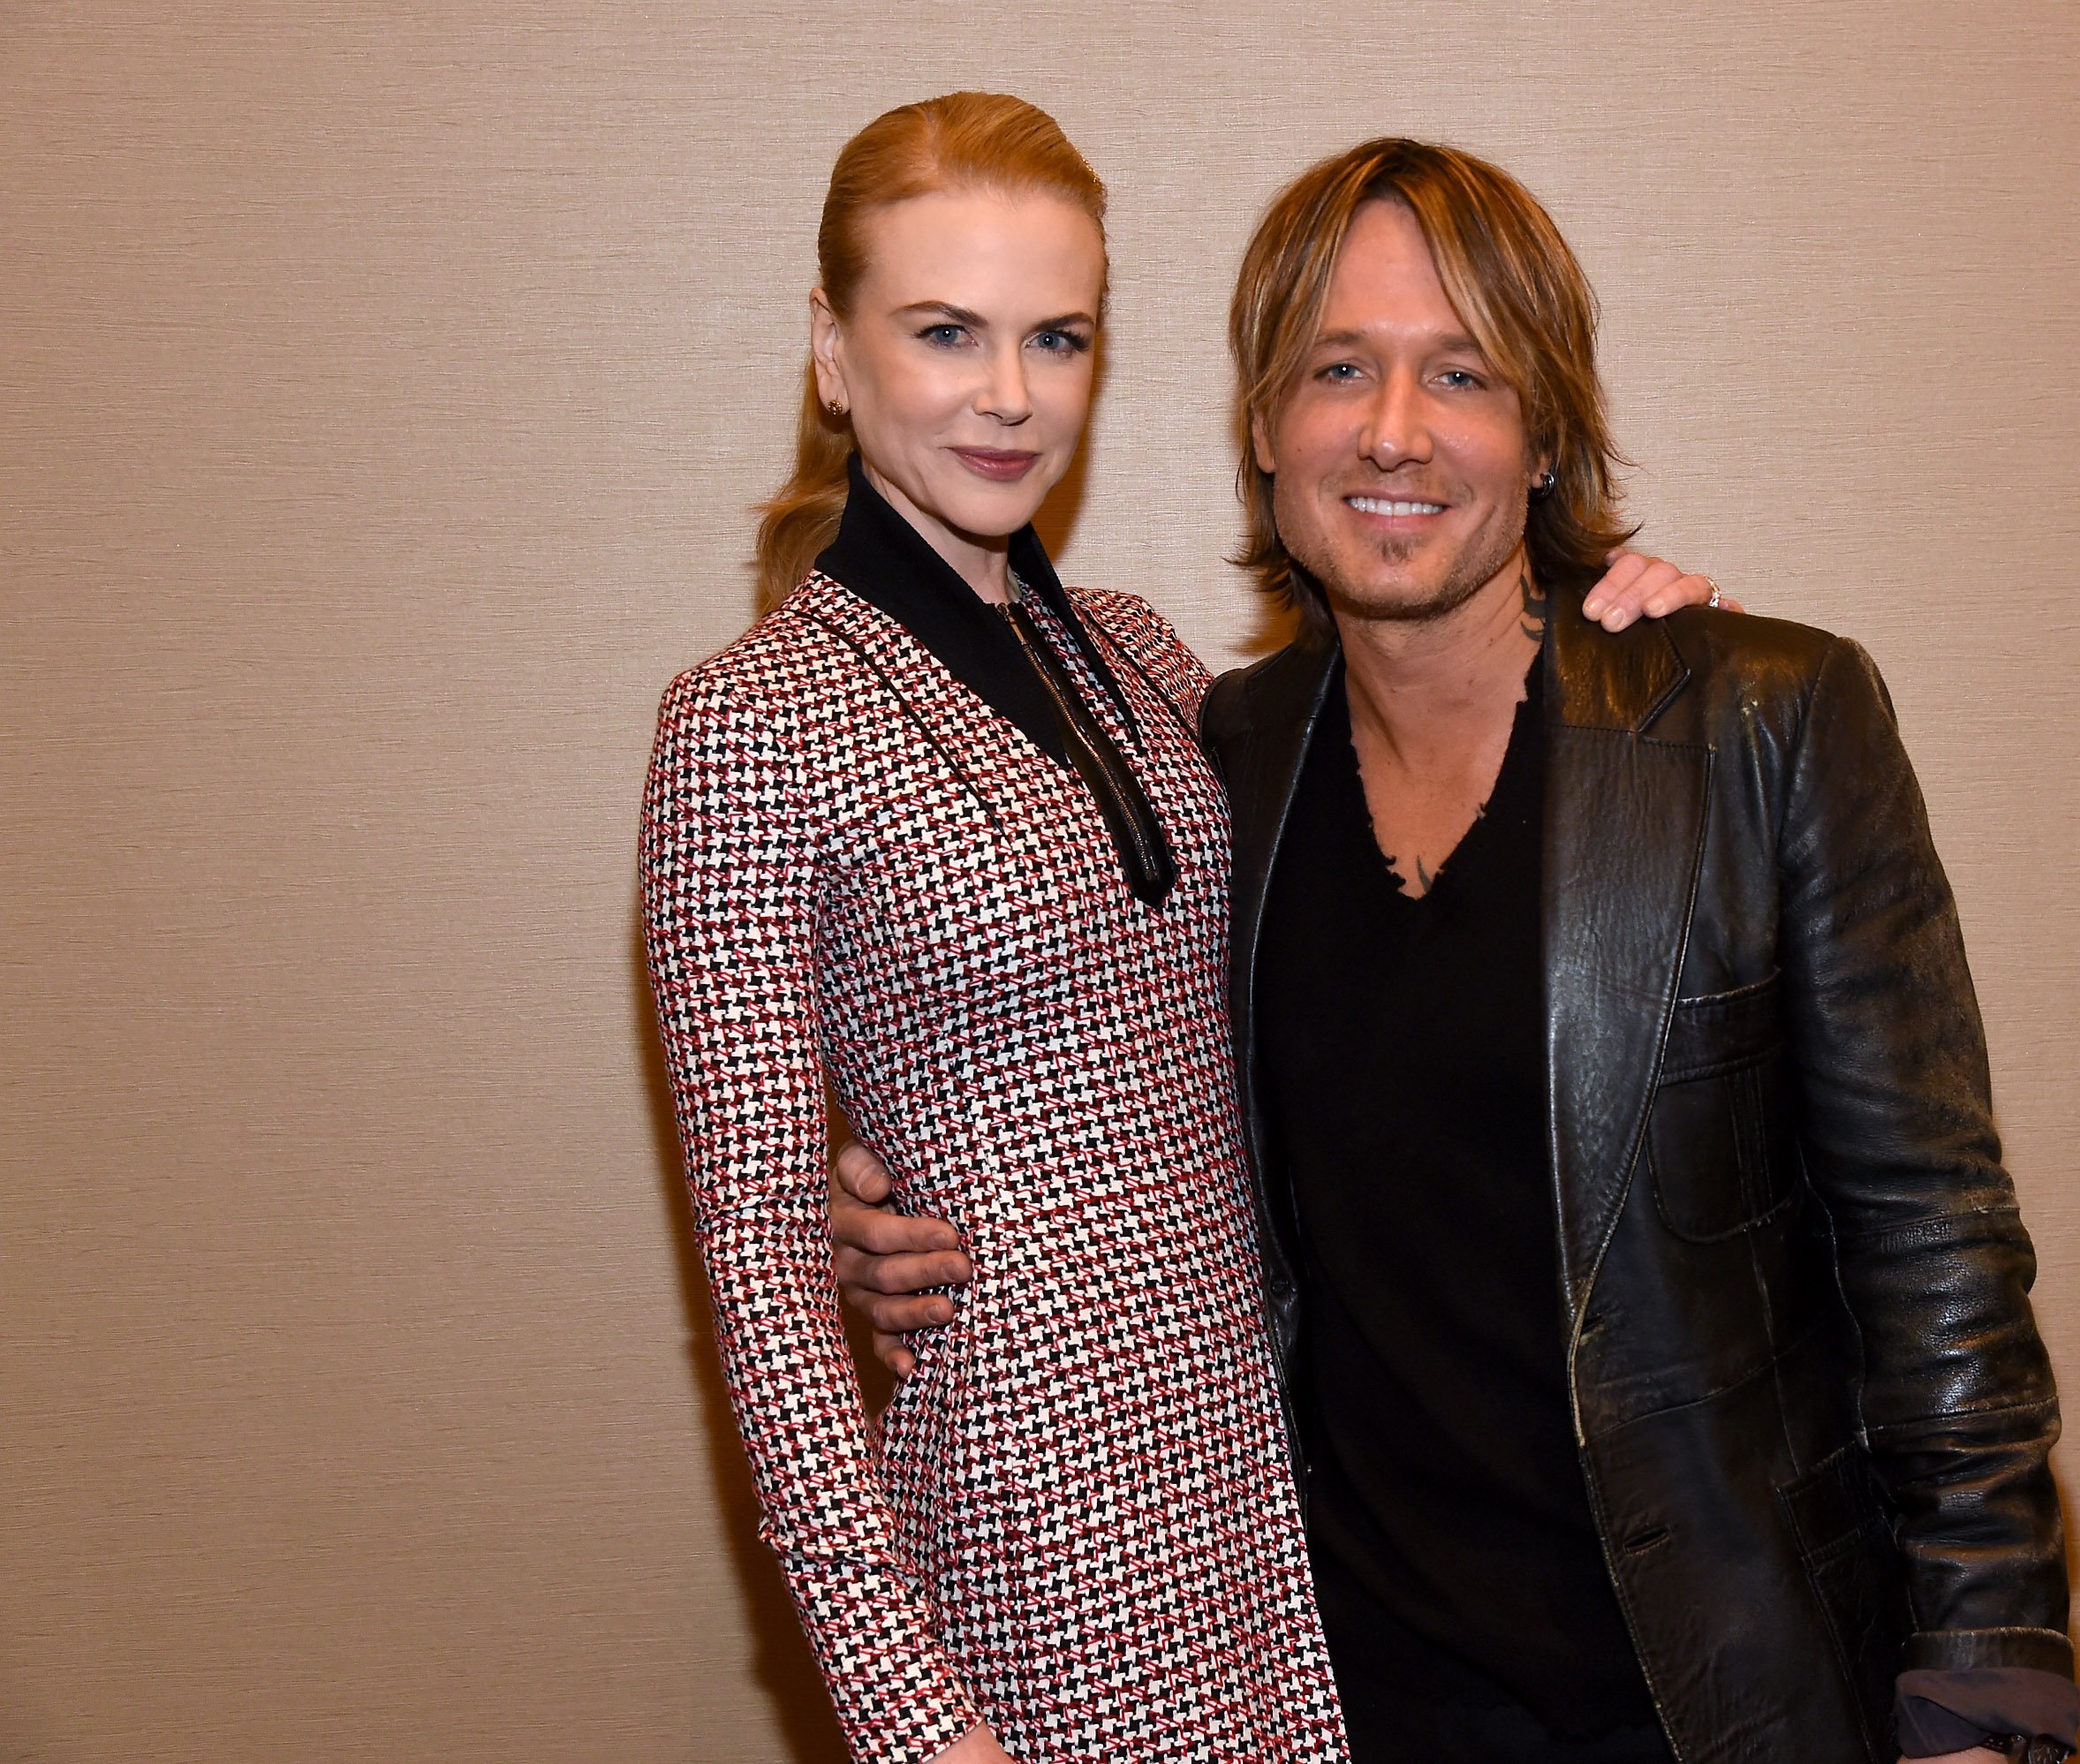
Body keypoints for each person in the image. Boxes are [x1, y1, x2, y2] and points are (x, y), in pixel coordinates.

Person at [835, 139, 2077, 1764]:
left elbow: (1939, 1252)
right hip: (1327, 1702)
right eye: (1338, 367)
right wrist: (889, 1202)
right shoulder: (1221, 766)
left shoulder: (1761, 727)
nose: (1394, 430)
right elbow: (1077, 1072)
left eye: (1463, 373)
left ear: (1544, 431)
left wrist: (1982, 1700)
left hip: (1716, 1701)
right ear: (1266, 427)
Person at [640, 96, 1721, 1764]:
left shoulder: (1145, 660)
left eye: (1055, 337)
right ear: (831, 354)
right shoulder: (746, 722)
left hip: (1278, 1499)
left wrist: (1594, 619)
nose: (1009, 394)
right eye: (946, 333)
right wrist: (915, 1722)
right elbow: (767, 1292)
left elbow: (1395, 813)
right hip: (1030, 1535)